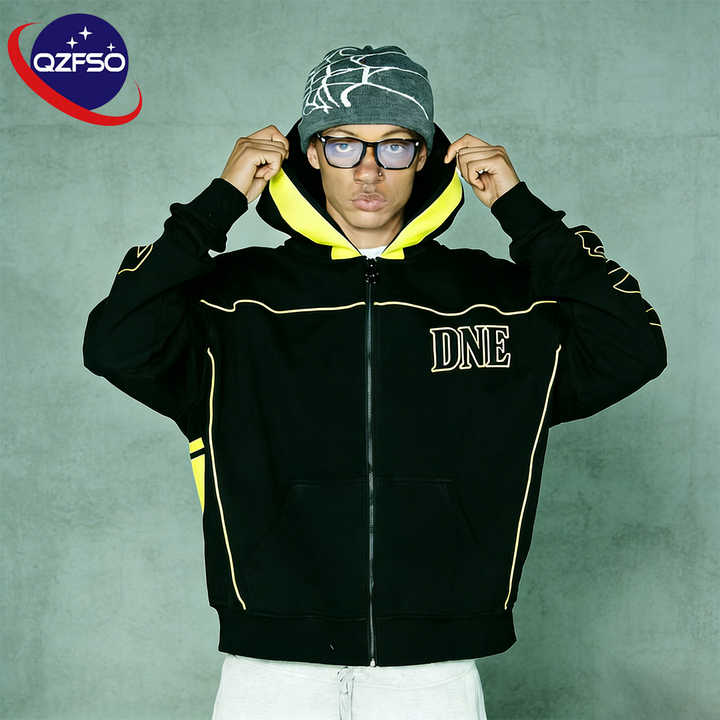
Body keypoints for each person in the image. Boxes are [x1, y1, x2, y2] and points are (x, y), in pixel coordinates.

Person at [82, 44, 667, 719]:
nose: (368, 170)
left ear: (424, 157)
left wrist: (521, 210)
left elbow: (633, 346)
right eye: (342, 145)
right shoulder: (231, 303)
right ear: (309, 153)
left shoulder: (499, 303)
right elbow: (115, 341)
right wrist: (217, 205)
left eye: (394, 146)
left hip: (435, 672)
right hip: (270, 670)